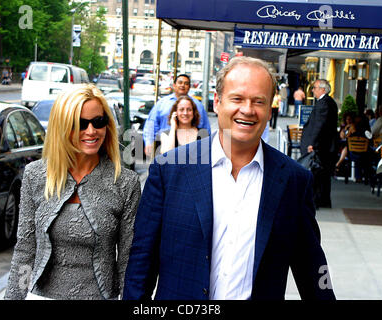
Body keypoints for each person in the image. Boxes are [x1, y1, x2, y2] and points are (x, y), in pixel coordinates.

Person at [123, 56, 335, 300]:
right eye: (237, 98)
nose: (247, 109)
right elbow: (141, 263)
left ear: (269, 110)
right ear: (217, 101)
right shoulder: (169, 170)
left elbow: (313, 268)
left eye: (259, 101)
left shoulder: (294, 181)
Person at [4, 84, 141, 300]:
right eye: (80, 123)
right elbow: (25, 251)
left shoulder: (125, 183)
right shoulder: (35, 175)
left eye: (98, 122)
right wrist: (14, 297)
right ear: (63, 126)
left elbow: (128, 259)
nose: (91, 131)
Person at [143, 74, 211, 157]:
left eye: (186, 83)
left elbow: (205, 127)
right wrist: (148, 142)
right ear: (174, 85)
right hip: (165, 145)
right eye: (180, 82)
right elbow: (152, 123)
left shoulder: (198, 105)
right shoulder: (162, 103)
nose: (183, 85)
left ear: (189, 87)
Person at [300, 79, 339, 209]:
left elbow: (319, 125)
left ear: (322, 89)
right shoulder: (328, 102)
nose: (313, 90)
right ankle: (323, 200)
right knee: (324, 174)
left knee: (317, 173)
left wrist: (312, 143)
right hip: (326, 146)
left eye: (315, 87)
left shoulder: (323, 103)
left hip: (322, 146)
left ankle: (317, 200)